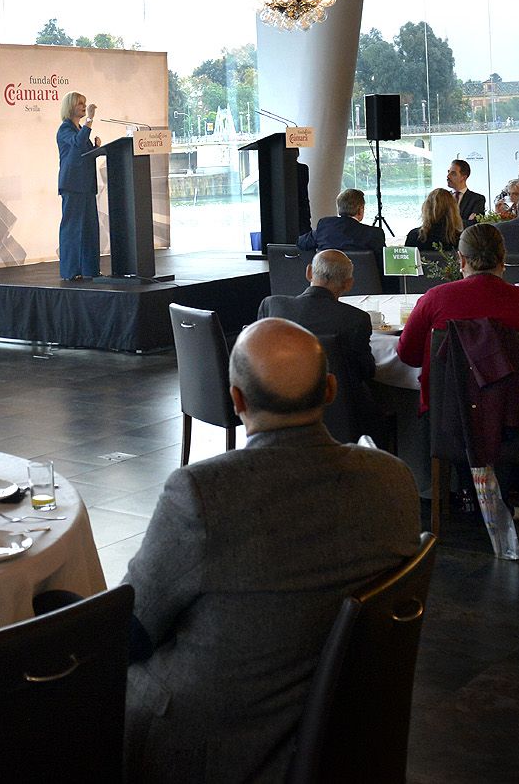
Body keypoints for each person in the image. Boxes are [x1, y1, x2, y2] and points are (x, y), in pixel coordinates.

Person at [121, 318, 420, 782]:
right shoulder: (393, 480)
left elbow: (133, 632)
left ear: (236, 400)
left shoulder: (204, 493)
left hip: (209, 745)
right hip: (345, 735)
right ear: (331, 390)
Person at [395, 224, 519, 406]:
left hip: (449, 416)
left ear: (461, 260)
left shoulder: (435, 300)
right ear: (503, 259)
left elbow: (408, 355)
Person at [256, 249, 379, 442]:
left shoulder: (272, 306)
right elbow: (365, 371)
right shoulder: (355, 319)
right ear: (348, 284)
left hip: (278, 407)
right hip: (339, 414)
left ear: (309, 272)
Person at [55, 91, 101, 280]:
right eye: (80, 103)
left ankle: (90, 269)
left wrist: (97, 149)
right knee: (72, 229)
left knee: (90, 229)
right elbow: (77, 143)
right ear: (70, 107)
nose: (84, 106)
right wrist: (90, 119)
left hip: (86, 185)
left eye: (85, 103)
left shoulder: (80, 129)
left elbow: (84, 152)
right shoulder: (65, 129)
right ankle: (70, 271)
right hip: (73, 185)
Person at [296, 188, 384, 252]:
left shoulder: (324, 227)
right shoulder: (374, 234)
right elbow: (384, 267)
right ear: (361, 209)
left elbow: (301, 244)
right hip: (362, 277)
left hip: (328, 277)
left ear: (339, 208)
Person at [405, 187, 464, 253]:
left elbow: (407, 261)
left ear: (426, 209)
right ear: (453, 210)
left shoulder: (414, 236)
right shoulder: (461, 239)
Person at [445, 158, 487, 223]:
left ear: (464, 177)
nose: (448, 176)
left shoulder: (477, 199)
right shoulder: (443, 197)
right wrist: (466, 221)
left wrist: (448, 224)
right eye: (448, 172)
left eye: (453, 173)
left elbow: (474, 225)